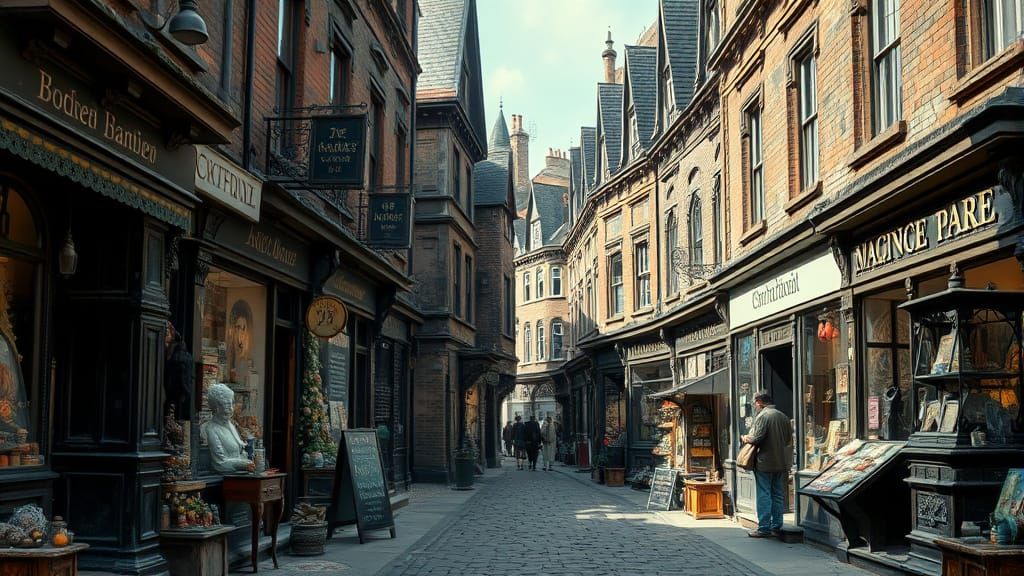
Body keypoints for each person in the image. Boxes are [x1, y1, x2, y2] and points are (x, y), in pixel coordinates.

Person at [741, 390, 793, 538]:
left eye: (755, 403)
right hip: (781, 462)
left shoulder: (763, 416)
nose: (755, 406)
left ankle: (764, 527)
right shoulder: (783, 416)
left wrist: (745, 438)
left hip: (765, 462)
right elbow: (789, 439)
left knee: (764, 493)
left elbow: (756, 438)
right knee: (777, 494)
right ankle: (777, 525)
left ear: (759, 402)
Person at [201, 383, 254, 474]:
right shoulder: (211, 429)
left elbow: (239, 453)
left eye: (231, 403)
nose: (230, 408)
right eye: (226, 404)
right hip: (225, 478)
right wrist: (243, 464)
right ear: (216, 407)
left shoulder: (231, 425)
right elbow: (219, 464)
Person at [228, 299, 254, 382]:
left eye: (243, 328)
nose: (240, 335)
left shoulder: (247, 361)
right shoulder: (229, 356)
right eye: (237, 327)